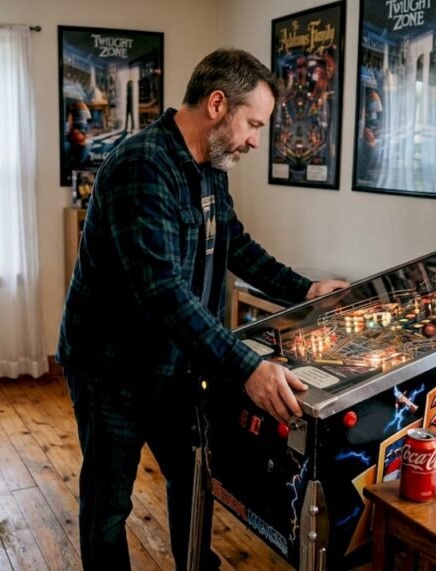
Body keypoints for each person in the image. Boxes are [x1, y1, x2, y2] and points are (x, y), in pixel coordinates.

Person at [57, 48, 348, 571]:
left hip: (176, 364)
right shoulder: (141, 167)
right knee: (109, 502)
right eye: (253, 123)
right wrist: (247, 369)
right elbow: (162, 292)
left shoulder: (212, 167)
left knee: (193, 479)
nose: (256, 139)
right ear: (218, 104)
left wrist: (305, 292)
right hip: (111, 369)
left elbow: (237, 245)